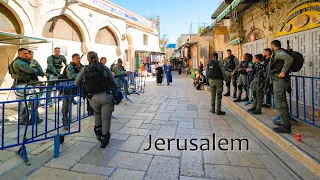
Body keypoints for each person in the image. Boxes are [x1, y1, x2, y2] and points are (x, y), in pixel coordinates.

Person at [75, 51, 119, 148]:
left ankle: (98, 134)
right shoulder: (103, 67)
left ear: (88, 59)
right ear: (97, 57)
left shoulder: (84, 69)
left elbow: (76, 83)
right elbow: (113, 82)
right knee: (106, 118)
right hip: (106, 96)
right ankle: (104, 139)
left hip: (93, 98)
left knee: (97, 114)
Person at [9, 48, 43, 125]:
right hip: (21, 85)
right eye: (24, 53)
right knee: (24, 103)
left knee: (33, 101)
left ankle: (34, 118)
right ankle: (24, 120)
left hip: (26, 84)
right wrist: (32, 67)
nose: (26, 54)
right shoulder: (19, 62)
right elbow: (31, 70)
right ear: (19, 54)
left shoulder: (24, 62)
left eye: (27, 53)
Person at [269, 40, 293, 133]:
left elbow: (289, 59)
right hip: (278, 80)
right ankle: (284, 121)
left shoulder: (279, 52)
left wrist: (283, 71)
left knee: (279, 102)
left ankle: (286, 126)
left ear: (273, 45)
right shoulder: (277, 53)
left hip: (280, 81)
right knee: (281, 101)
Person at [61, 53, 84, 130]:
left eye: (79, 58)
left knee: (68, 103)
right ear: (73, 59)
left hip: (75, 89)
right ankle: (65, 121)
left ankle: (65, 116)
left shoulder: (81, 66)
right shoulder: (70, 67)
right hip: (67, 88)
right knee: (66, 106)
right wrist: (81, 75)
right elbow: (71, 76)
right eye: (76, 58)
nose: (78, 60)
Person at [27, 50, 46, 123]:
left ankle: (35, 117)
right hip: (28, 82)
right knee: (30, 101)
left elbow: (40, 69)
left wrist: (43, 74)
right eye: (30, 54)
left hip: (35, 81)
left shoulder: (34, 61)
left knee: (36, 100)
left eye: (32, 54)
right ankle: (31, 118)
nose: (31, 55)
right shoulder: (24, 62)